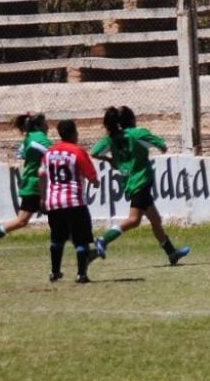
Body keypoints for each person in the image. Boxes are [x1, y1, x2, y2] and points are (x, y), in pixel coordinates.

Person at [90, 106, 190, 265]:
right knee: (134, 220)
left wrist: (110, 160)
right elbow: (162, 146)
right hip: (141, 181)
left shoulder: (111, 138)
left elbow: (94, 152)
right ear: (132, 120)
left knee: (155, 219)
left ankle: (172, 253)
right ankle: (103, 240)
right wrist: (159, 146)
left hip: (129, 182)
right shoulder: (137, 134)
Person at [0, 112, 53, 258]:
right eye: (45, 124)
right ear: (38, 126)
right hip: (36, 185)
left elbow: (22, 154)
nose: (48, 127)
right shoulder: (39, 138)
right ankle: (83, 247)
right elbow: (53, 152)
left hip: (34, 184)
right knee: (23, 220)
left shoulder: (29, 138)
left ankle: (83, 248)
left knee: (26, 220)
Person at [39, 120, 100, 283]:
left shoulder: (49, 153)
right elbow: (92, 177)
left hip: (54, 203)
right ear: (74, 133)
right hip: (74, 202)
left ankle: (54, 272)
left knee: (57, 238)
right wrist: (95, 182)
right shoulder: (77, 152)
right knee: (81, 239)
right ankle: (81, 274)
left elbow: (41, 175)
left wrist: (43, 198)